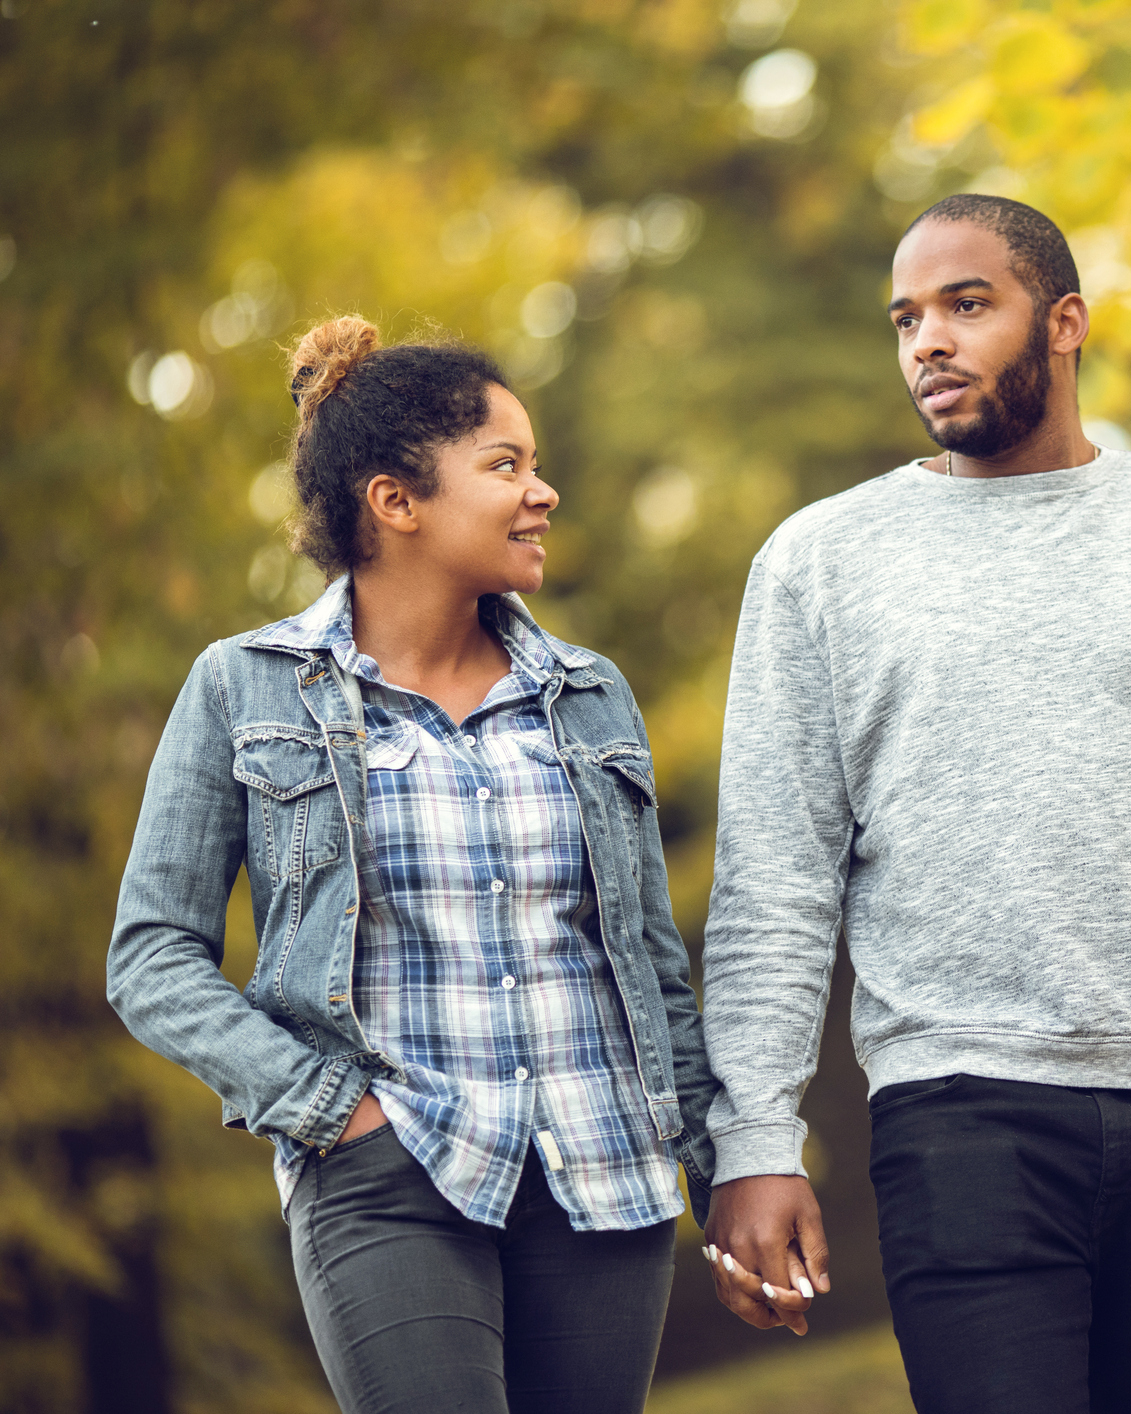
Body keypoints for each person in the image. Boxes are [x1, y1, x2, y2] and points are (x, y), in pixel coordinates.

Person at [698, 194, 1131, 1411]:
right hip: (957, 1118)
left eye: (968, 304)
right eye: (907, 317)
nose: (929, 342)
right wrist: (755, 1137)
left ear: (1064, 321)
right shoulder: (820, 562)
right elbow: (777, 886)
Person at [107, 317, 716, 1414]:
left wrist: (729, 1173)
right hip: (388, 1174)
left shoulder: (589, 692)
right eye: (506, 466)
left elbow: (650, 964)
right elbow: (152, 955)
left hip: (605, 1174)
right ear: (397, 501)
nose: (544, 491)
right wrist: (326, 1106)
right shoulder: (246, 688)